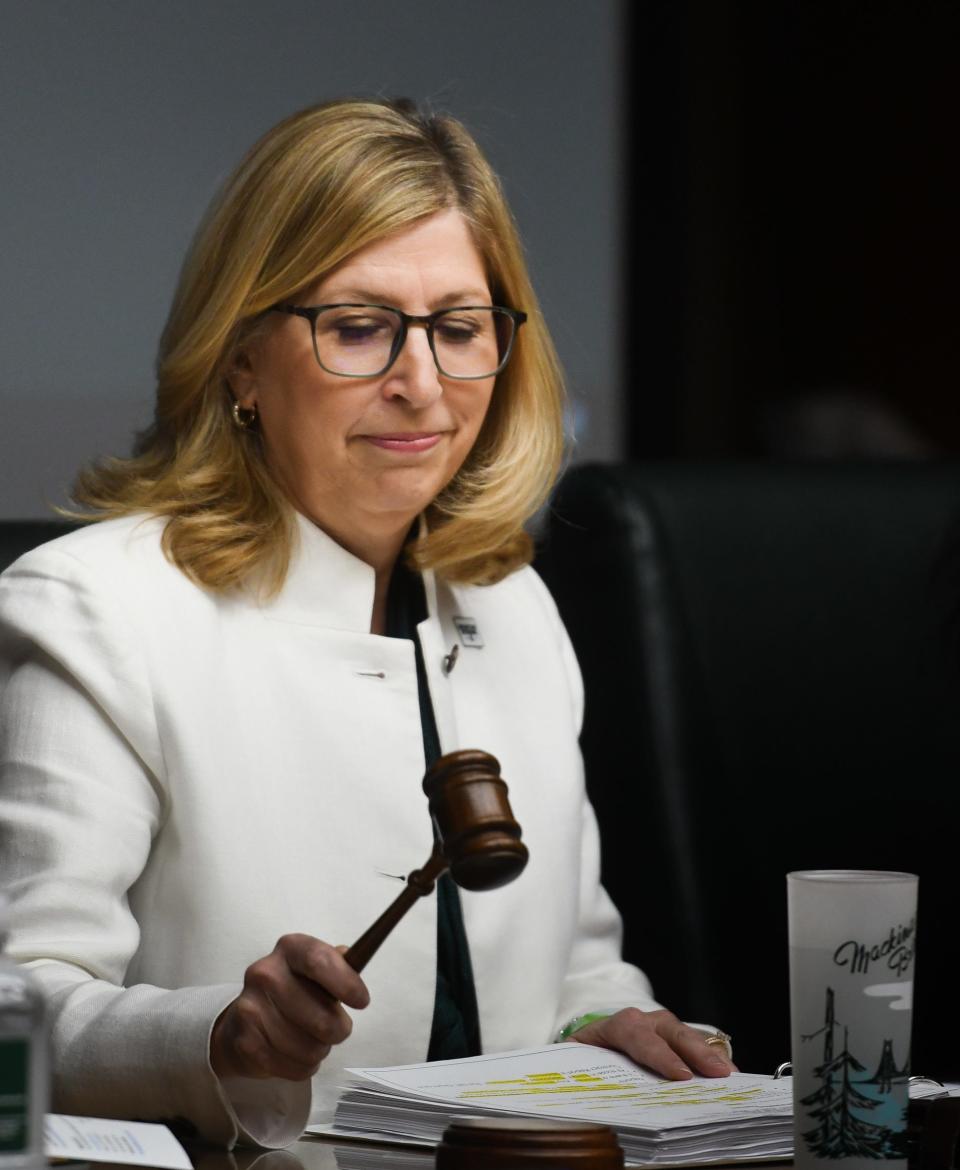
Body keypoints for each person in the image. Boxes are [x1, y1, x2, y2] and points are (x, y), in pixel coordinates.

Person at [0, 98, 733, 1148]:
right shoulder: (96, 607)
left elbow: (576, 957)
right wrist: (217, 1035)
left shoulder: (513, 602)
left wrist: (604, 1018)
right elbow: (15, 1015)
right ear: (242, 360)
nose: (423, 384)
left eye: (459, 329)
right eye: (358, 328)